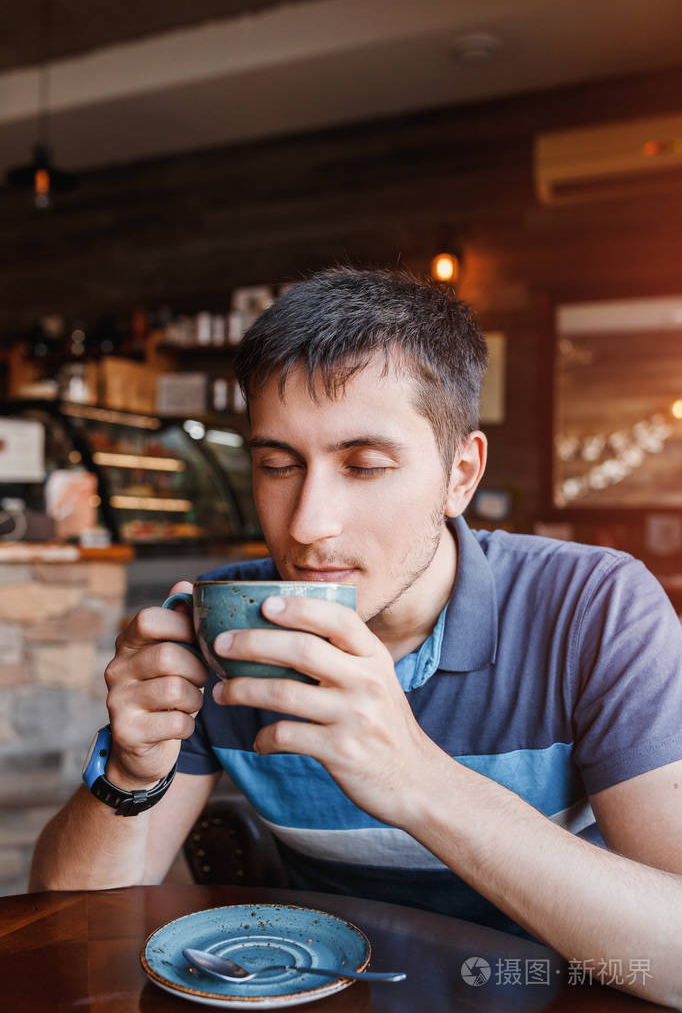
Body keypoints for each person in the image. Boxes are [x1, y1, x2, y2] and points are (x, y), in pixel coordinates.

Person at [31, 268, 682, 1007]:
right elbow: (68, 924)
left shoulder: (592, 609)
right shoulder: (229, 619)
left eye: (364, 465)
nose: (307, 524)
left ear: (460, 474)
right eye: (277, 465)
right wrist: (129, 771)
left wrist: (414, 778)